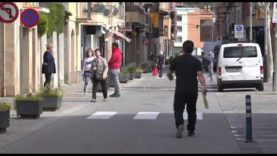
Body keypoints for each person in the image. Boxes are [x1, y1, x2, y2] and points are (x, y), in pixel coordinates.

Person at [167, 40, 207, 138]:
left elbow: (169, 73)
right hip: (192, 90)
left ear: (183, 49)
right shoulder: (196, 61)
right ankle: (191, 130)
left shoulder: (176, 60)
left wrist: (171, 78)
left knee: (178, 109)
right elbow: (200, 75)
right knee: (192, 110)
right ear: (192, 50)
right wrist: (204, 86)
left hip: (180, 90)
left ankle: (180, 123)